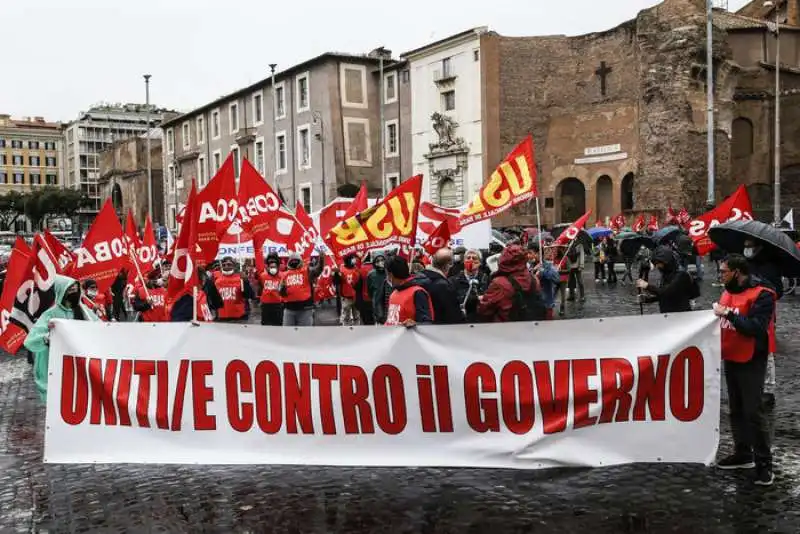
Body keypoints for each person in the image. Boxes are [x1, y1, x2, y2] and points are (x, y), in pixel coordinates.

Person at [713, 254, 776, 486]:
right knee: (736, 408)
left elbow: (757, 328)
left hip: (751, 358)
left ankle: (764, 463)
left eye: (724, 272)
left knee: (753, 411)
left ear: (738, 272)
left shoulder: (763, 295)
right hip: (732, 355)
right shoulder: (729, 291)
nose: (720, 276)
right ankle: (743, 453)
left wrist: (728, 313)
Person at [23, 275, 99, 400]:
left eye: (76, 289)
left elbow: (98, 326)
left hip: (80, 362)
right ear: (62, 291)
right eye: (70, 290)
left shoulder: (82, 310)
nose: (74, 292)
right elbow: (31, 341)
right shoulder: (51, 314)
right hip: (59, 365)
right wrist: (47, 335)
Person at [478, 244, 546, 323]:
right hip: (531, 328)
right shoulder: (534, 279)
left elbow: (485, 311)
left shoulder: (499, 283)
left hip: (506, 329)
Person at [636, 246, 693, 313]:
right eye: (655, 264)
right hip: (666, 314)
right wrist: (647, 299)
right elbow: (663, 295)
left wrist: (647, 286)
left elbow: (667, 292)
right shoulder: (666, 274)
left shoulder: (681, 275)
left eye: (658, 263)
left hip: (679, 314)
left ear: (666, 261)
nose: (657, 266)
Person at [384, 255, 434, 326]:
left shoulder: (417, 293)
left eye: (386, 274)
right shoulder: (394, 293)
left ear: (390, 274)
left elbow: (427, 323)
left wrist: (415, 324)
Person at [421, 248, 464, 325]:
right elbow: (453, 316)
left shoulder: (420, 278)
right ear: (449, 265)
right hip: (440, 330)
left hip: (422, 328)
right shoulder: (444, 286)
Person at [279, 252, 321, 326]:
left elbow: (317, 271)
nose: (294, 262)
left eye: (296, 260)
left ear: (300, 261)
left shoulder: (307, 271)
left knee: (305, 334)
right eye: (292, 261)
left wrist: (321, 261)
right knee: (288, 333)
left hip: (305, 309)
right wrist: (282, 289)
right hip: (289, 309)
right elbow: (281, 293)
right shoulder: (285, 274)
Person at [449, 248, 489, 323]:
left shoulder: (486, 279)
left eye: (474, 258)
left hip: (480, 321)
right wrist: (476, 298)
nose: (471, 260)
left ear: (480, 262)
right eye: (468, 258)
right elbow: (454, 300)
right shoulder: (453, 280)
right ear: (464, 261)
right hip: (461, 322)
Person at [529, 243, 560, 320]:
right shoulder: (529, 266)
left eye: (530, 253)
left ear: (538, 254)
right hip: (533, 305)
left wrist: (542, 271)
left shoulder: (547, 265)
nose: (528, 255)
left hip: (545, 304)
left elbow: (556, 278)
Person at [258, 253, 284, 326]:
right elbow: (261, 288)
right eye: (270, 263)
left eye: (274, 262)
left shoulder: (283, 276)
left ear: (278, 264)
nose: (272, 265)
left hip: (278, 305)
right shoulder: (262, 276)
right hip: (266, 305)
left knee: (278, 326)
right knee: (265, 326)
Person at [338, 254, 362, 326]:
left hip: (356, 297)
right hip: (346, 297)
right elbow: (337, 282)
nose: (354, 260)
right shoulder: (341, 269)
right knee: (346, 317)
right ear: (348, 260)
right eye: (352, 258)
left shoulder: (356, 268)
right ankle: (346, 333)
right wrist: (336, 275)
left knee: (357, 316)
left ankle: (357, 332)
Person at [368, 252, 391, 324]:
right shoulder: (371, 274)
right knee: (380, 319)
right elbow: (369, 290)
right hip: (377, 300)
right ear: (374, 262)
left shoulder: (389, 272)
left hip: (388, 299)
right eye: (378, 260)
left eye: (382, 260)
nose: (380, 262)